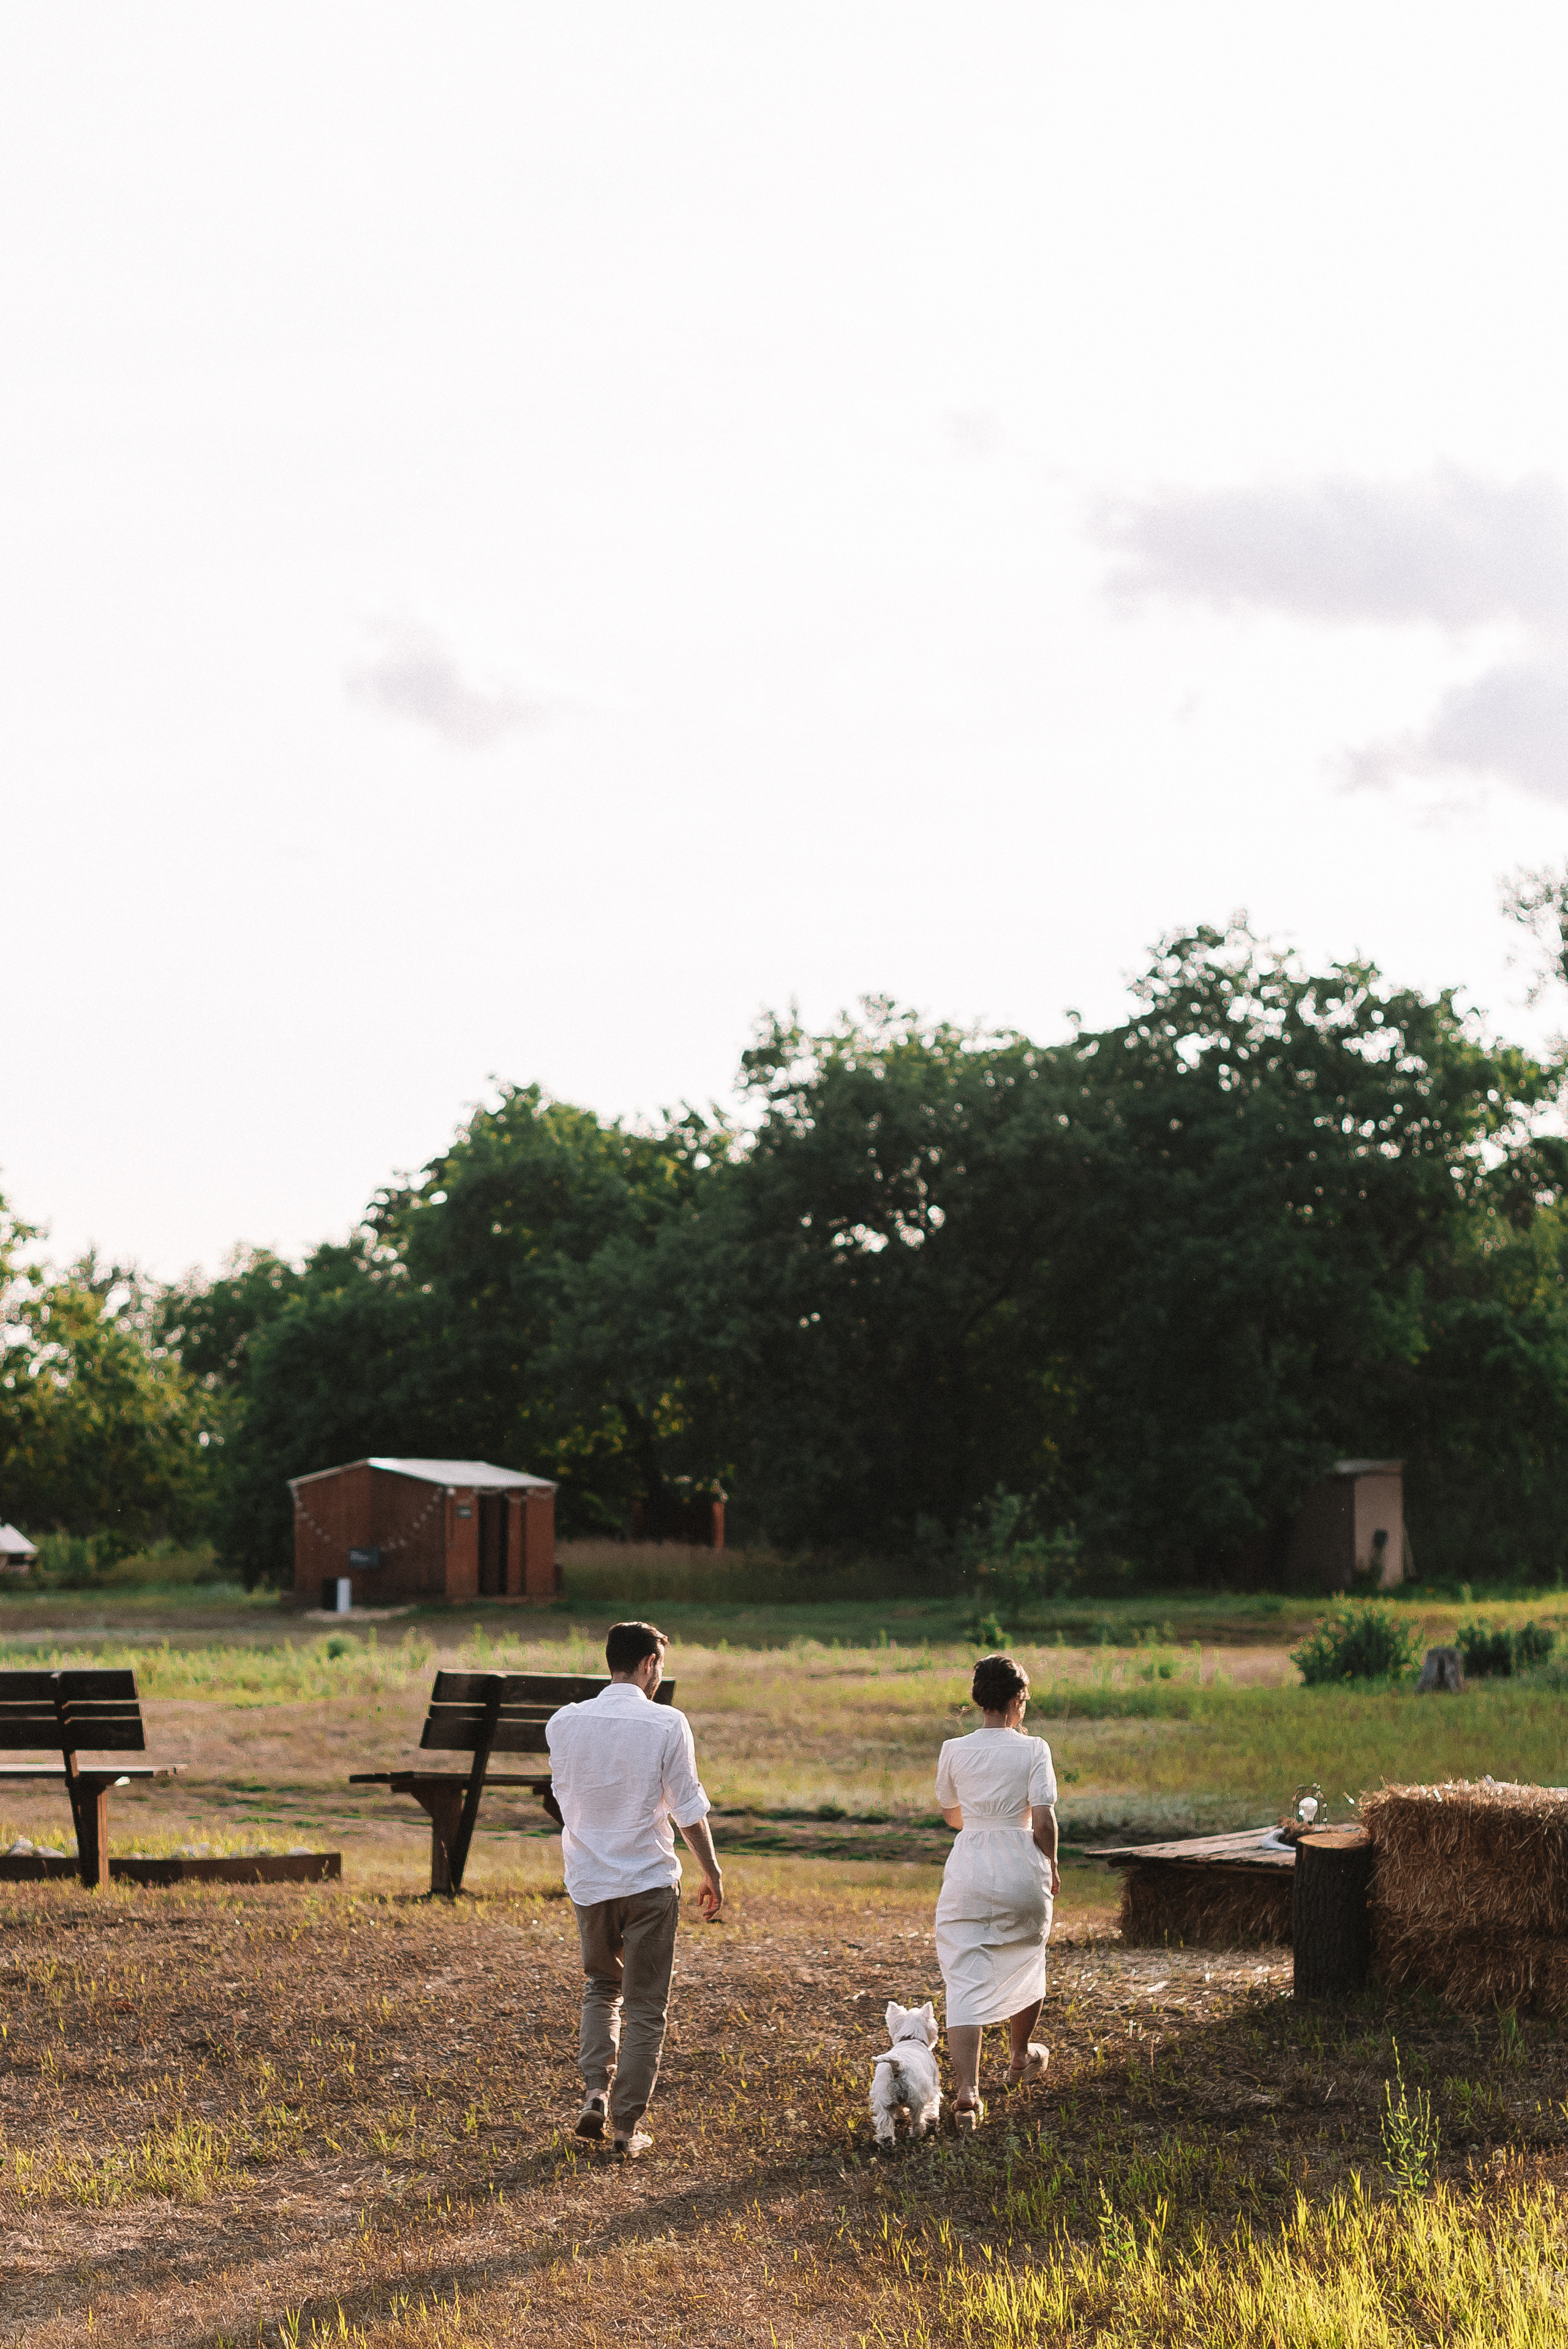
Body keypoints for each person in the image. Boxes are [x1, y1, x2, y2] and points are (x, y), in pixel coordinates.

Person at [545, 1619, 723, 2160]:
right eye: (659, 1666)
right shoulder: (667, 1723)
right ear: (649, 1664)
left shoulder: (565, 1722)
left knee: (603, 1987)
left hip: (590, 1881)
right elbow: (687, 1808)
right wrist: (712, 1871)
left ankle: (594, 2095)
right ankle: (625, 2129)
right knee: (646, 2005)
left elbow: (566, 1796)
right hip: (647, 1881)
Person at [934, 1651, 1058, 2130]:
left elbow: (952, 1814)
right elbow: (1043, 1819)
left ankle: (967, 2093)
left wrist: (982, 1823)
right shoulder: (1034, 1749)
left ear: (978, 1700)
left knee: (964, 1976)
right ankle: (1019, 2056)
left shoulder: (953, 1749)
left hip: (969, 1865)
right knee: (1027, 1957)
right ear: (1016, 1700)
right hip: (1021, 1864)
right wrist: (1051, 1864)